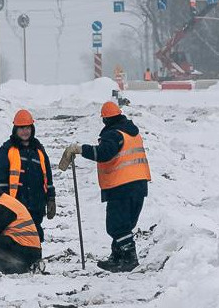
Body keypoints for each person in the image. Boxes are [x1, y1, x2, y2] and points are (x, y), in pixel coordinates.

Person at [58, 100, 150, 272]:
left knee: (116, 226)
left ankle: (129, 258)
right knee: (124, 224)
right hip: (138, 185)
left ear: (105, 120)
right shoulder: (131, 132)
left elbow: (104, 154)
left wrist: (80, 149)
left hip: (122, 186)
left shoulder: (114, 134)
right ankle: (117, 257)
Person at [0, 108, 55, 242]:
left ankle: (35, 260)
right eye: (21, 128)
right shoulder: (6, 150)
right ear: (15, 129)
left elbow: (47, 176)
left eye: (27, 128)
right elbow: (1, 180)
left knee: (36, 236)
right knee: (16, 237)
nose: (25, 131)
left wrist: (51, 198)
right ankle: (17, 262)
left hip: (36, 204)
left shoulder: (39, 151)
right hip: (15, 205)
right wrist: (4, 203)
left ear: (32, 128)